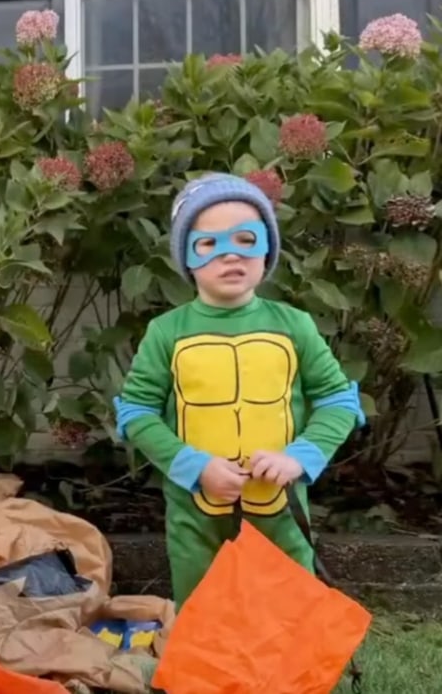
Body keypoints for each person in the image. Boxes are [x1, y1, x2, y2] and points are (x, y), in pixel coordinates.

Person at [113, 173, 365, 607]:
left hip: (279, 511)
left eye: (246, 239)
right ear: (187, 258)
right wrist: (191, 465)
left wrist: (299, 457)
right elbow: (136, 411)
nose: (230, 255)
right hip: (197, 517)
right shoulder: (165, 333)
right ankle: (204, 676)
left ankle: (287, 676)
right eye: (209, 244)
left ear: (267, 248)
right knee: (203, 610)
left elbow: (338, 401)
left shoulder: (295, 326)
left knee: (287, 606)